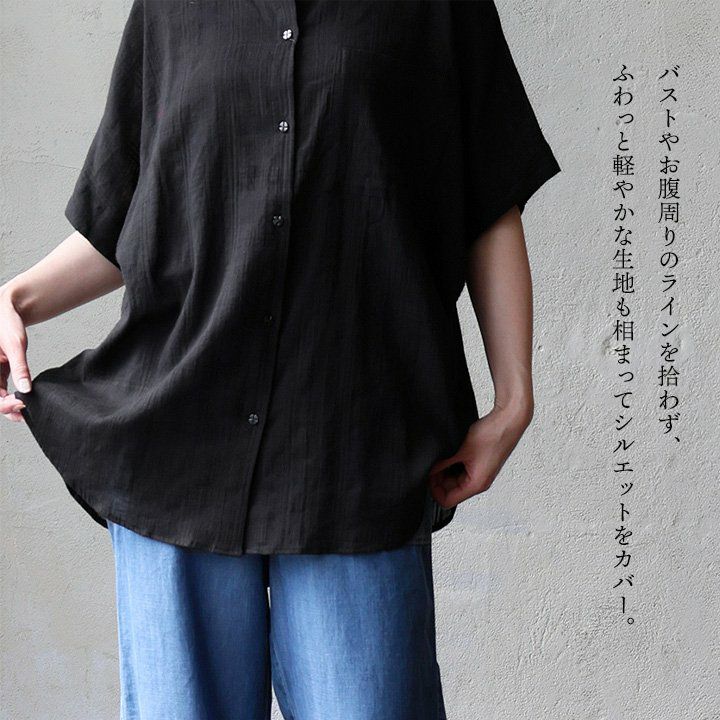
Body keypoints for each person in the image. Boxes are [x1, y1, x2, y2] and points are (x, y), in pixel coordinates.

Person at [1, 1, 561, 718]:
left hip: (355, 449)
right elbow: (129, 214)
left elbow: (489, 197)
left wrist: (514, 400)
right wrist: (16, 298)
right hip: (179, 445)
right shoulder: (170, 10)